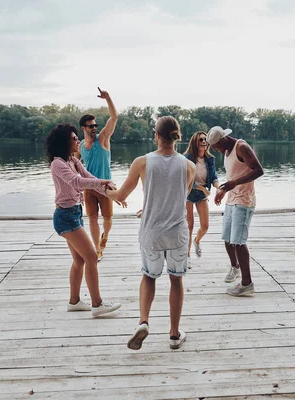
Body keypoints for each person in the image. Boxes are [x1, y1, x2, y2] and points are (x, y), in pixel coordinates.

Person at [106, 116, 195, 350]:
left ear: (156, 135)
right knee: (176, 280)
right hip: (177, 234)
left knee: (149, 277)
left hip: (151, 233)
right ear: (176, 136)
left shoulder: (142, 162)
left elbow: (121, 195)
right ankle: (174, 335)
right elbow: (178, 197)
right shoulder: (189, 166)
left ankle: (143, 321)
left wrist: (107, 191)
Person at [46, 123, 122, 316]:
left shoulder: (72, 160)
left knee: (79, 260)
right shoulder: (58, 164)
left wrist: (113, 194)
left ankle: (74, 301)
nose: (77, 141)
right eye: (73, 138)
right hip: (65, 217)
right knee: (91, 257)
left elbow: (89, 177)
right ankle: (97, 304)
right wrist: (103, 181)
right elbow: (77, 182)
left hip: (75, 214)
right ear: (64, 142)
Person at [207, 126, 264, 297]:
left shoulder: (242, 147)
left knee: (239, 242)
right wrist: (223, 191)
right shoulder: (227, 151)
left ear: (223, 139)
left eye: (215, 146)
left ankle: (247, 283)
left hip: (244, 200)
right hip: (232, 199)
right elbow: (234, 176)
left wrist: (234, 184)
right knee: (227, 238)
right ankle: (235, 267)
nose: (215, 150)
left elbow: (259, 170)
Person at [79, 87, 118, 261]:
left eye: (96, 125)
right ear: (83, 128)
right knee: (92, 219)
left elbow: (114, 117)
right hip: (89, 188)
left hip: (105, 187)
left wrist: (108, 99)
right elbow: (75, 165)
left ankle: (106, 236)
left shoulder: (103, 139)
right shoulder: (80, 146)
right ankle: (97, 249)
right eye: (91, 126)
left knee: (108, 220)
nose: (95, 127)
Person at [183, 131, 220, 257]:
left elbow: (214, 177)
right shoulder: (187, 159)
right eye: (201, 140)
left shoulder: (210, 159)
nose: (204, 142)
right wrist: (203, 189)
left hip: (202, 195)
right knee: (189, 226)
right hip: (188, 193)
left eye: (205, 139)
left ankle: (196, 241)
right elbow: (186, 180)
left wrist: (218, 187)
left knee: (205, 226)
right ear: (195, 142)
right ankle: (186, 254)